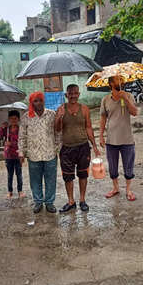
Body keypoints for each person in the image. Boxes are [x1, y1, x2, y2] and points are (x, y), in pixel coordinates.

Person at [55, 84, 101, 213]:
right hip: (67, 148)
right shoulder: (60, 109)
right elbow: (57, 129)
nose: (73, 96)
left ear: (79, 94)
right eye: (70, 93)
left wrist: (94, 145)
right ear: (66, 95)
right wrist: (59, 117)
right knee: (68, 177)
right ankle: (71, 201)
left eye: (75, 93)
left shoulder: (85, 109)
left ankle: (82, 200)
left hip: (83, 147)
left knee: (83, 174)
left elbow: (88, 127)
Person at [19, 91, 60, 214]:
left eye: (40, 100)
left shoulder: (52, 115)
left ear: (44, 101)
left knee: (51, 179)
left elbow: (58, 133)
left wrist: (58, 148)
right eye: (35, 101)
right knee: (35, 180)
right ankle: (38, 202)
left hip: (50, 153)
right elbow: (22, 136)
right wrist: (21, 152)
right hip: (33, 154)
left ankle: (49, 202)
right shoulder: (26, 117)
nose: (38, 103)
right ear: (32, 103)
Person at [99, 76, 139, 201]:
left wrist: (125, 99)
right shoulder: (105, 99)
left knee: (128, 165)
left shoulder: (128, 96)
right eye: (118, 79)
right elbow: (103, 118)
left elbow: (134, 112)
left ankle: (128, 189)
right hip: (111, 140)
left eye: (122, 79)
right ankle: (115, 188)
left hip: (127, 139)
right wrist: (100, 135)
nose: (121, 82)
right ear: (111, 83)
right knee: (112, 166)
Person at [0, 110, 25, 199]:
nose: (13, 120)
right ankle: (10, 191)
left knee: (19, 174)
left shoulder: (20, 129)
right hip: (8, 156)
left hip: (18, 155)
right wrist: (2, 128)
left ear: (18, 119)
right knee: (10, 174)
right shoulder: (6, 129)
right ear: (9, 119)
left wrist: (13, 144)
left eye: (15, 118)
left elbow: (22, 141)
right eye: (11, 118)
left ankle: (20, 190)